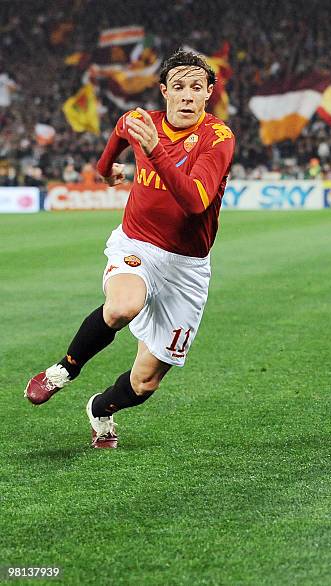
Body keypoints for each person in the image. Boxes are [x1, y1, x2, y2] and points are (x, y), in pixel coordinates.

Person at [25, 49, 236, 448]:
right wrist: (107, 172)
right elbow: (116, 141)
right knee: (123, 306)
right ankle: (63, 370)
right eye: (178, 87)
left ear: (209, 92)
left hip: (187, 267)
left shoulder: (218, 138)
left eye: (196, 87)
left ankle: (101, 408)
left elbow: (195, 201)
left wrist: (155, 151)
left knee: (145, 382)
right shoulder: (140, 122)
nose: (187, 96)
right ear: (164, 92)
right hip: (137, 243)